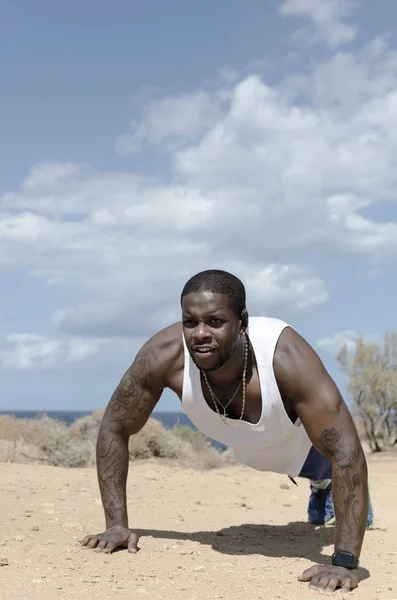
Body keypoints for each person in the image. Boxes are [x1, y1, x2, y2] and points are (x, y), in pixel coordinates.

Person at [80, 269, 373, 594]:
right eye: (190, 322)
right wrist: (116, 526)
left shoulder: (284, 357)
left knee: (328, 463)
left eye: (215, 322)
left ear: (242, 322)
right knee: (261, 454)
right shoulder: (163, 355)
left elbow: (346, 450)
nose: (200, 333)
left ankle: (326, 487)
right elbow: (114, 427)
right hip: (247, 447)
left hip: (301, 445)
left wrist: (345, 561)